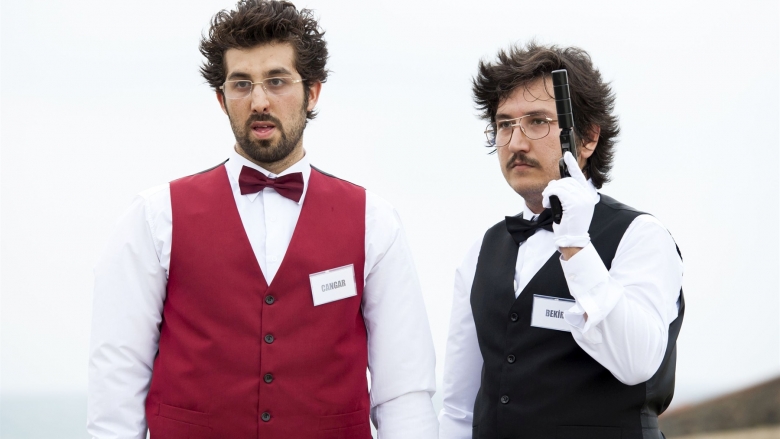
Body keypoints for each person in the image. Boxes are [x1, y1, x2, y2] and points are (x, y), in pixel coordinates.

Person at [87, 1, 438, 438]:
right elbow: (117, 374)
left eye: (276, 81)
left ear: (312, 92)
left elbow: (404, 391)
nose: (259, 101)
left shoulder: (375, 221)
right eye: (241, 84)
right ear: (222, 99)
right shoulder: (155, 216)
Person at [438, 42, 684, 439]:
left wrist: (575, 245)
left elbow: (637, 362)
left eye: (537, 122)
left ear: (587, 138)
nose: (516, 143)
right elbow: (458, 404)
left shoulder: (641, 236)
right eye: (505, 125)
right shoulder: (482, 250)